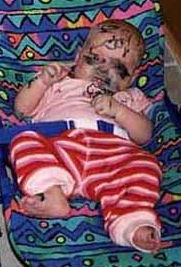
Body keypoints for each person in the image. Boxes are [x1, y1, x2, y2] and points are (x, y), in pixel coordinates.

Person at [10, 19, 171, 253]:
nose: (103, 71)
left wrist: (119, 111)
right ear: (78, 56)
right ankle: (52, 193)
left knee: (146, 163)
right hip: (60, 149)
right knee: (24, 139)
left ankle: (133, 223)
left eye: (119, 69)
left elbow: (145, 135)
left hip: (113, 158)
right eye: (94, 60)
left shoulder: (129, 97)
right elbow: (21, 110)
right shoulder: (60, 84)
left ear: (132, 77)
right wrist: (42, 82)